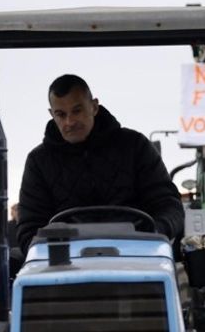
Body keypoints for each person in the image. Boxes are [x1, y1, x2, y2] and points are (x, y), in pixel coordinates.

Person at [17, 75, 184, 251]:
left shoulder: (135, 146)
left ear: (94, 107)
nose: (69, 122)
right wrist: (52, 247)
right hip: (65, 260)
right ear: (52, 114)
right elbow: (29, 228)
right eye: (61, 114)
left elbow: (168, 204)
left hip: (136, 252)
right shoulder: (39, 162)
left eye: (77, 111)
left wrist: (153, 233)